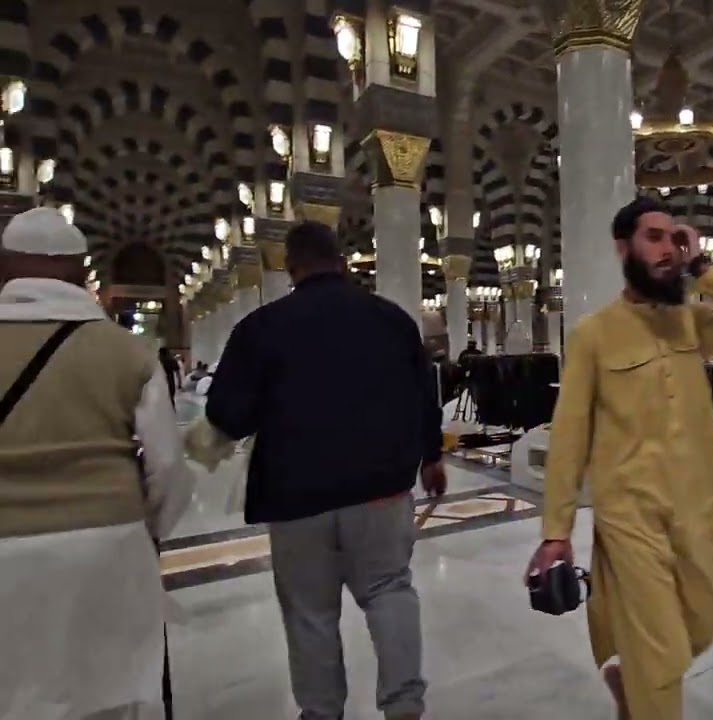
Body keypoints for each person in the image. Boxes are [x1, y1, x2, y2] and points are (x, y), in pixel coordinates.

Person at [526, 198, 713, 719]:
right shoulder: (593, 336)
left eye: (673, 239)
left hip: (701, 510)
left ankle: (631, 681)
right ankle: (644, 691)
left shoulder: (688, 322)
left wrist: (703, 265)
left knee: (697, 631)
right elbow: (569, 438)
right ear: (623, 248)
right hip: (631, 514)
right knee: (660, 653)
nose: (667, 249)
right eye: (654, 237)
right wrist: (556, 531)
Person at [204, 221, 445, 720]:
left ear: (291, 268)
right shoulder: (391, 319)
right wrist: (431, 457)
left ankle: (321, 712)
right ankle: (404, 706)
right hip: (381, 489)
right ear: (342, 261)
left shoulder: (261, 328)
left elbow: (227, 414)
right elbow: (425, 395)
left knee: (310, 613)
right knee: (389, 592)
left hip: (297, 497)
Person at [0, 207, 193, 720]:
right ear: (84, 272)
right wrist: (142, 527)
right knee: (107, 692)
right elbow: (168, 467)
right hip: (107, 545)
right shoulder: (126, 352)